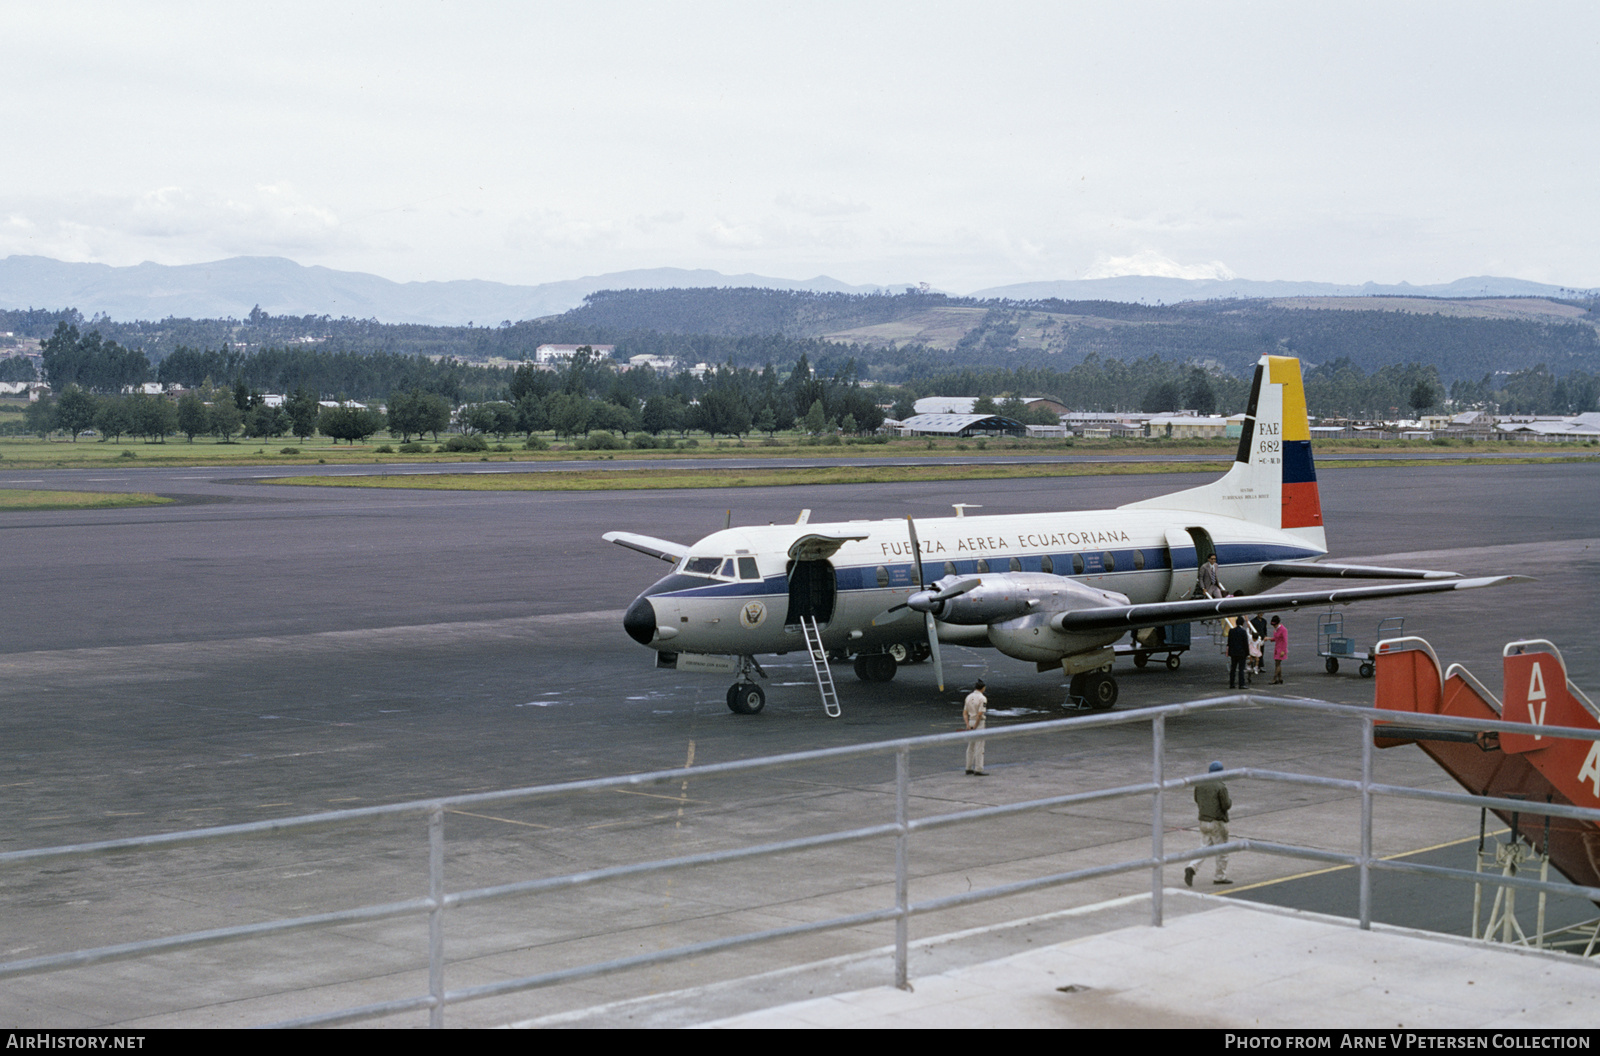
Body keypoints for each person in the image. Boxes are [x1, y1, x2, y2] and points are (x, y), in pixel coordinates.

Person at [1184, 761, 1232, 887]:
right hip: (1217, 822)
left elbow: (1196, 799)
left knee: (1204, 847)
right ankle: (1220, 877)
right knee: (1222, 851)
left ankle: (1192, 867)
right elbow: (1226, 805)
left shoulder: (1200, 783)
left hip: (1203, 821)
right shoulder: (1220, 786)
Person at [963, 679, 988, 776]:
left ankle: (968, 767)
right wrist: (976, 726)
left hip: (970, 721)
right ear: (983, 688)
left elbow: (965, 713)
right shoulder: (982, 698)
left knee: (971, 746)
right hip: (979, 723)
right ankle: (978, 769)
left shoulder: (969, 697)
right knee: (979, 746)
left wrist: (968, 725)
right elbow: (980, 714)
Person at [1227, 617, 1250, 690]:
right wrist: (1247, 653)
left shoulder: (1231, 631)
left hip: (1233, 653)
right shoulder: (1243, 631)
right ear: (1242, 623)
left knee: (1233, 669)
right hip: (1241, 653)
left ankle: (1232, 683)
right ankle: (1241, 684)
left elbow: (1229, 642)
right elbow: (1245, 643)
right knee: (1241, 669)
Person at [1270, 615, 1288, 684]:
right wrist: (1269, 639)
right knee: (1277, 664)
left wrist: (1283, 650)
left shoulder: (1283, 630)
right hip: (1277, 648)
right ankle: (1280, 678)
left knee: (1277, 664)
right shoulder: (1276, 629)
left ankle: (1275, 678)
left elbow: (1285, 641)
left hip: (1281, 648)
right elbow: (1277, 638)